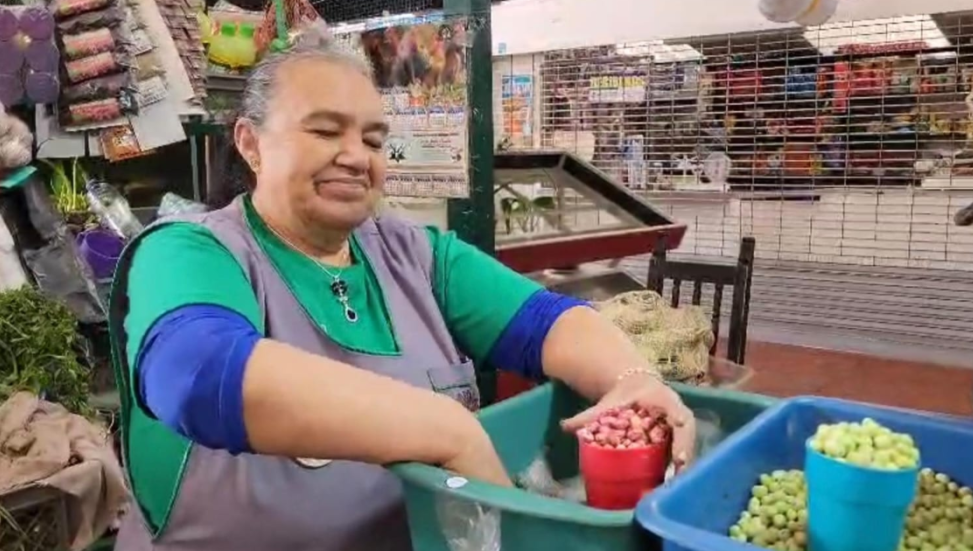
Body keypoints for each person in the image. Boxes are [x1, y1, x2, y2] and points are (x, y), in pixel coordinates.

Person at [108, 31, 697, 551]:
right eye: (324, 130)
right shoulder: (190, 252)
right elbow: (195, 374)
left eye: (372, 139)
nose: (355, 156)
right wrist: (448, 431)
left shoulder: (413, 253)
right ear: (250, 143)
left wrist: (632, 378)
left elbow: (546, 321)